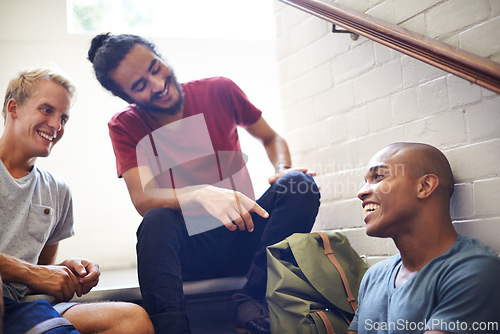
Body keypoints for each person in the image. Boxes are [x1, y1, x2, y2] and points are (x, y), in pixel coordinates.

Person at [87, 33, 321, 334]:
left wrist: (282, 168)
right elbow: (144, 199)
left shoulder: (219, 90)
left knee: (297, 183)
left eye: (155, 68)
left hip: (245, 236)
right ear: (126, 97)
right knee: (156, 220)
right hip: (190, 253)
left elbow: (271, 137)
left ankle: (251, 301)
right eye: (139, 86)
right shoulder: (125, 125)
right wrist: (200, 194)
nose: (157, 84)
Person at [0, 68, 154, 334]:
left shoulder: (58, 190)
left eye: (64, 118)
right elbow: (31, 273)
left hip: (20, 306)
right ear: (14, 108)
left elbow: (38, 274)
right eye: (46, 110)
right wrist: (33, 274)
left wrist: (64, 273)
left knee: (133, 320)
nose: (56, 125)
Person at [349, 142, 500, 334]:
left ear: (424, 186)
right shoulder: (374, 276)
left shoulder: (474, 272)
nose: (361, 192)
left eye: (378, 177)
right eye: (366, 181)